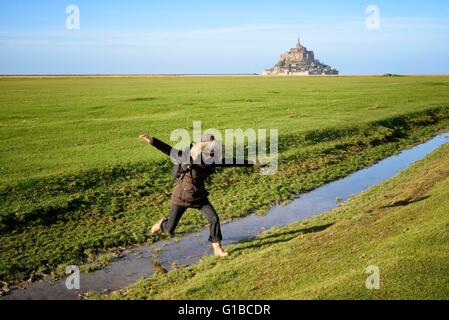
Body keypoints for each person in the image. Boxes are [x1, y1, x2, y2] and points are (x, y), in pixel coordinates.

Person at [139, 133, 257, 257]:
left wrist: (251, 163)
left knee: (214, 219)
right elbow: (169, 150)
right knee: (169, 230)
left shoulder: (213, 160)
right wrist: (152, 140)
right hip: (181, 197)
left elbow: (232, 161)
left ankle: (217, 248)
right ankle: (161, 223)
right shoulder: (187, 156)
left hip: (199, 196)